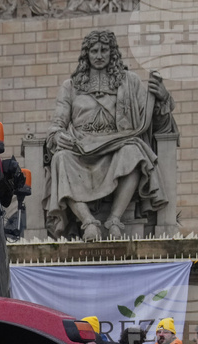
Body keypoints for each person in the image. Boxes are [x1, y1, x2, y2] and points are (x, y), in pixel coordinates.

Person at [45, 29, 175, 240]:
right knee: (60, 158)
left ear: (112, 52)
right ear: (86, 54)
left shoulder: (129, 82)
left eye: (104, 50)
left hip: (116, 146)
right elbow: (57, 125)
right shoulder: (70, 87)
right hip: (81, 150)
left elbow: (151, 124)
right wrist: (58, 136)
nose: (98, 55)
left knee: (134, 151)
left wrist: (162, 99)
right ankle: (88, 223)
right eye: (94, 50)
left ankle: (114, 219)